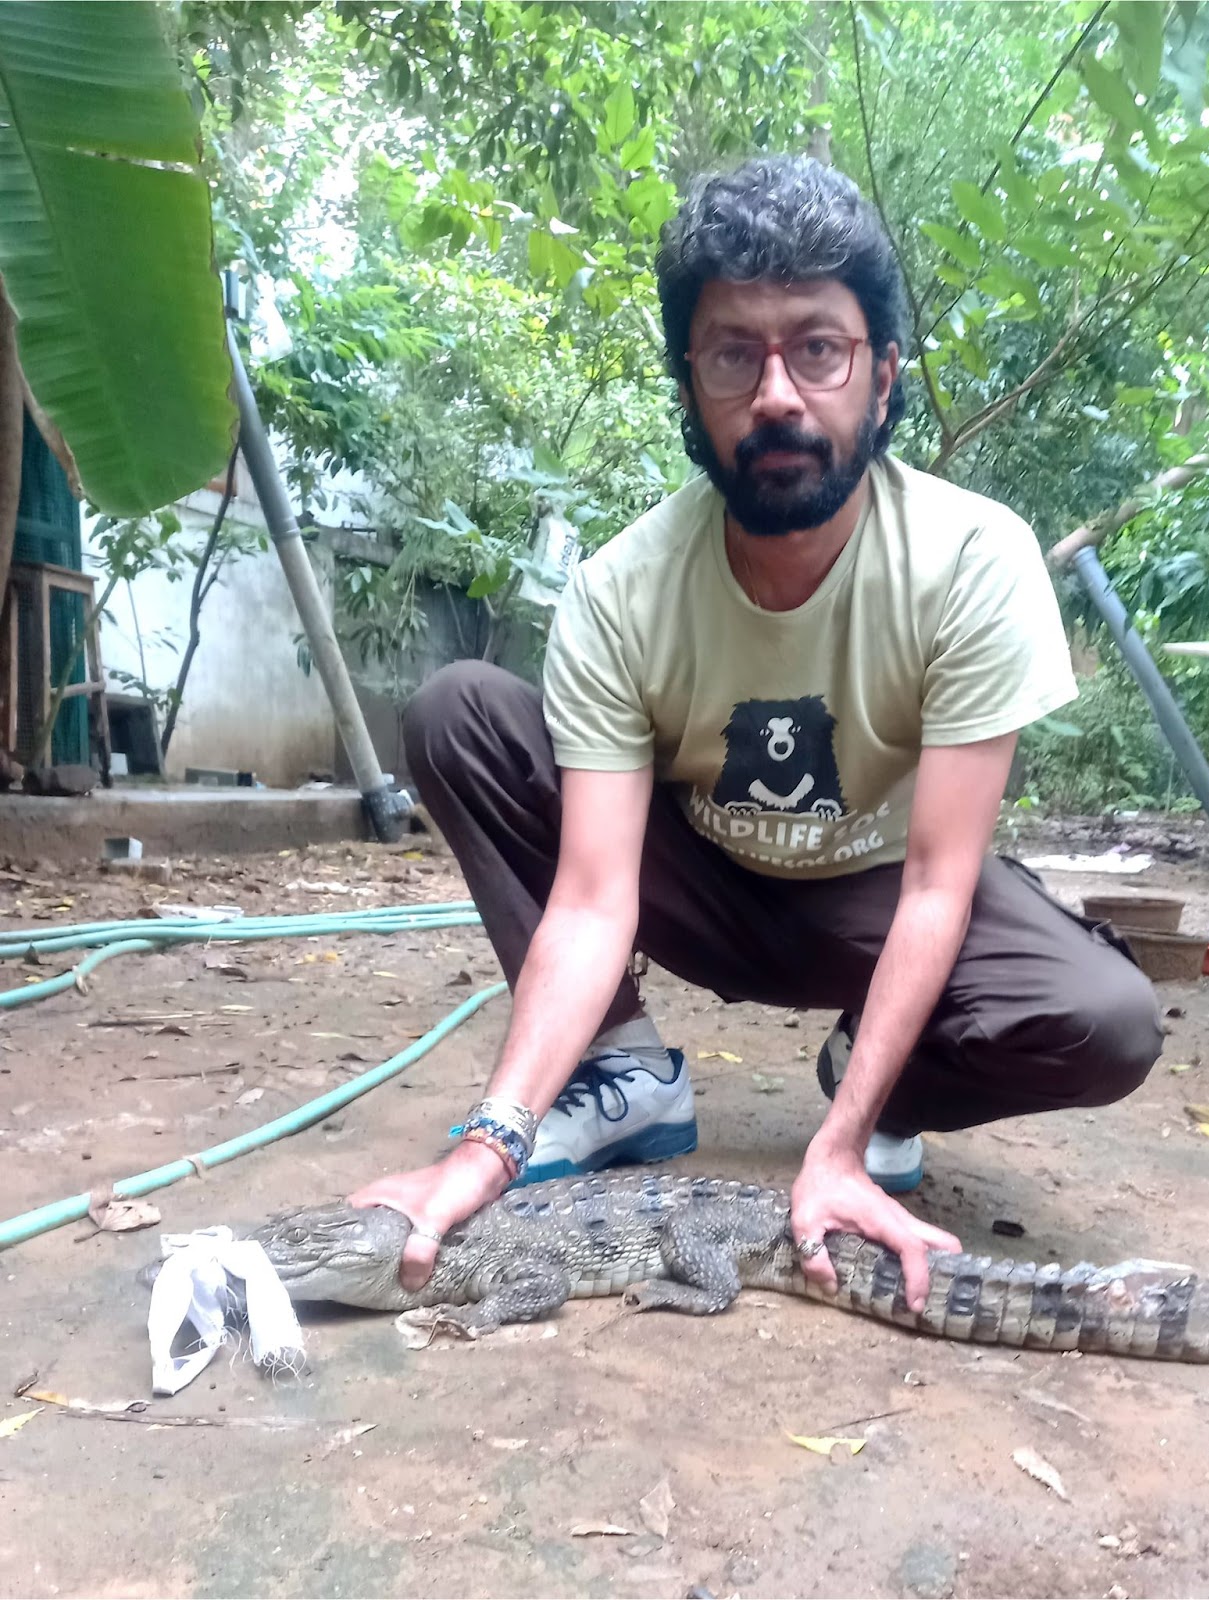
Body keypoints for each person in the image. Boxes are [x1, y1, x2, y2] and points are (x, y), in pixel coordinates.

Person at [350, 155, 1163, 1313]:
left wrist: (837, 1140)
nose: (777, 393)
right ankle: (625, 1074)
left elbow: (939, 882)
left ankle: (874, 1086)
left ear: (881, 377)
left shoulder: (974, 559)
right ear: (690, 386)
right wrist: (488, 1147)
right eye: (735, 352)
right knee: (461, 712)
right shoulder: (622, 589)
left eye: (817, 348)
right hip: (702, 887)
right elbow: (589, 899)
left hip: (877, 903)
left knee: (1105, 1018)